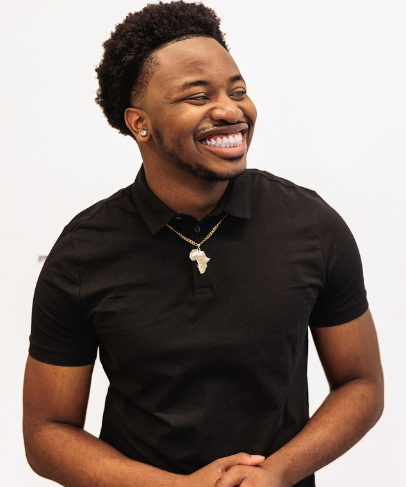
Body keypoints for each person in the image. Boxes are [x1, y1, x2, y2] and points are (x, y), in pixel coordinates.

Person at [23, 2, 384, 486]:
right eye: (197, 96)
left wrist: (277, 473)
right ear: (139, 123)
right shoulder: (83, 254)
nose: (230, 110)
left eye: (238, 91)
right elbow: (47, 433)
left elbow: (361, 384)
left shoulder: (310, 224)